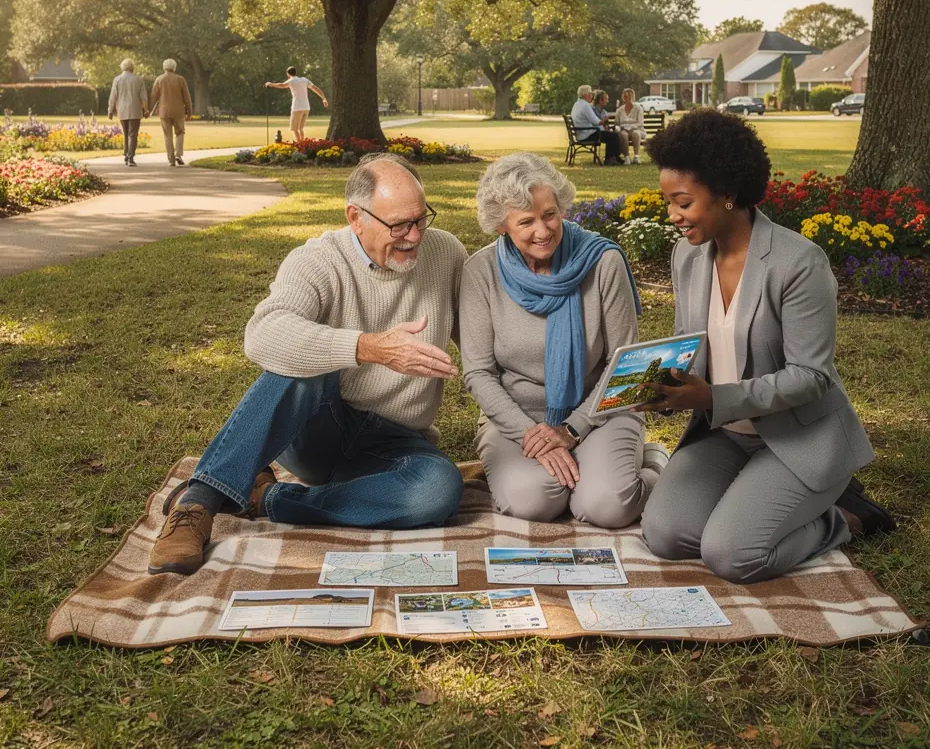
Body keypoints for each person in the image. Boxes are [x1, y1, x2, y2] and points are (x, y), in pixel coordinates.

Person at [148, 153, 468, 576]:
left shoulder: (446, 252)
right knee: (299, 368)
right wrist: (368, 348)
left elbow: (482, 340)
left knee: (439, 490)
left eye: (420, 219)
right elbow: (263, 334)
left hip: (395, 440)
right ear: (356, 217)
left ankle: (269, 500)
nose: (414, 236)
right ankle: (198, 501)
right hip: (317, 430)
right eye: (399, 226)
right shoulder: (318, 259)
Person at [639, 110, 895, 583]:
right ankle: (759, 508)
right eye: (668, 202)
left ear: (728, 193)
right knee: (666, 535)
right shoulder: (688, 254)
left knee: (732, 556)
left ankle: (845, 517)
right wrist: (662, 389)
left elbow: (811, 377)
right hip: (723, 434)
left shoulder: (798, 262)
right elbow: (689, 343)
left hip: (798, 437)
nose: (671, 215)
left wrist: (713, 397)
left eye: (682, 202)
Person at [460, 153, 667, 528]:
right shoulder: (481, 272)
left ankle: (653, 465)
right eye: (526, 221)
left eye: (550, 214)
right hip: (517, 416)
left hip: (601, 410)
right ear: (500, 227)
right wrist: (531, 434)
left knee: (607, 506)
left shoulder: (603, 262)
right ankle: (583, 469)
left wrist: (573, 429)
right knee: (532, 502)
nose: (543, 230)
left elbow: (627, 365)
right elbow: (478, 372)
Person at [265, 67, 329, 142]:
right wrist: (323, 98)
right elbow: (316, 88)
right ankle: (303, 145)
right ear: (295, 72)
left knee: (294, 129)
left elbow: (282, 85)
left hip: (297, 108)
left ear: (288, 74)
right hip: (306, 108)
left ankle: (299, 145)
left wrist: (271, 84)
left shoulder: (291, 80)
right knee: (300, 128)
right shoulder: (304, 80)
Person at [148, 59, 192, 167]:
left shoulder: (159, 79)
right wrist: (189, 111)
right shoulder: (180, 80)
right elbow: (187, 97)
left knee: (167, 136)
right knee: (180, 132)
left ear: (164, 67)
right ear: (174, 67)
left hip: (164, 111)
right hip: (178, 111)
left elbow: (153, 96)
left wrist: (148, 109)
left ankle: (171, 160)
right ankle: (178, 154)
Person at [107, 58, 149, 167]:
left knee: (126, 133)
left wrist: (110, 110)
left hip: (122, 110)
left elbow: (113, 96)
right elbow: (143, 97)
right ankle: (130, 157)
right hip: (135, 110)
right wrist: (145, 110)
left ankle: (126, 154)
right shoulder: (138, 80)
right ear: (132, 68)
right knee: (133, 134)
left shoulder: (117, 80)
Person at [570, 84, 622, 165]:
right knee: (614, 136)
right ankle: (610, 159)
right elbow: (595, 121)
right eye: (591, 94)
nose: (592, 96)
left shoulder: (577, 104)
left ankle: (614, 157)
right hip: (587, 135)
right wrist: (605, 121)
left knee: (610, 135)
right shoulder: (585, 105)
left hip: (582, 134)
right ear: (587, 94)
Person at [615, 88, 646, 165]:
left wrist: (631, 126)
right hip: (624, 130)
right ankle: (627, 158)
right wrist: (623, 127)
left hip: (637, 129)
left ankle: (636, 157)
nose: (624, 98)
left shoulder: (638, 108)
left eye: (626, 96)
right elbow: (617, 123)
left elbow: (640, 123)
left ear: (631, 97)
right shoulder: (620, 110)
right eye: (623, 96)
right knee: (623, 134)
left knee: (636, 133)